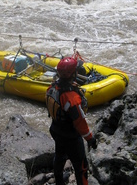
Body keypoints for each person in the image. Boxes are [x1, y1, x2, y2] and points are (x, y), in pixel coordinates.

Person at [46, 57, 97, 185]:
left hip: (56, 130)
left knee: (59, 156)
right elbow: (79, 121)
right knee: (81, 166)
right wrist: (90, 139)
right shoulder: (71, 97)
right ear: (73, 74)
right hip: (70, 136)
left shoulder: (52, 87)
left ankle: (59, 182)